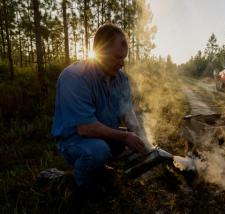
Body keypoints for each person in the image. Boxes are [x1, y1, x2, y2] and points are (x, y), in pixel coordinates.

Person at [51, 23, 152, 194]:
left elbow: (128, 112)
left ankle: (100, 168)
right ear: (100, 51)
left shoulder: (121, 79)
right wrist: (125, 136)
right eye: (117, 58)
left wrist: (143, 139)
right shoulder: (75, 77)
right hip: (73, 138)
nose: (122, 64)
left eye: (124, 58)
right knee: (98, 151)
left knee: (133, 134)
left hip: (101, 131)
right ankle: (80, 185)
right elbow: (85, 128)